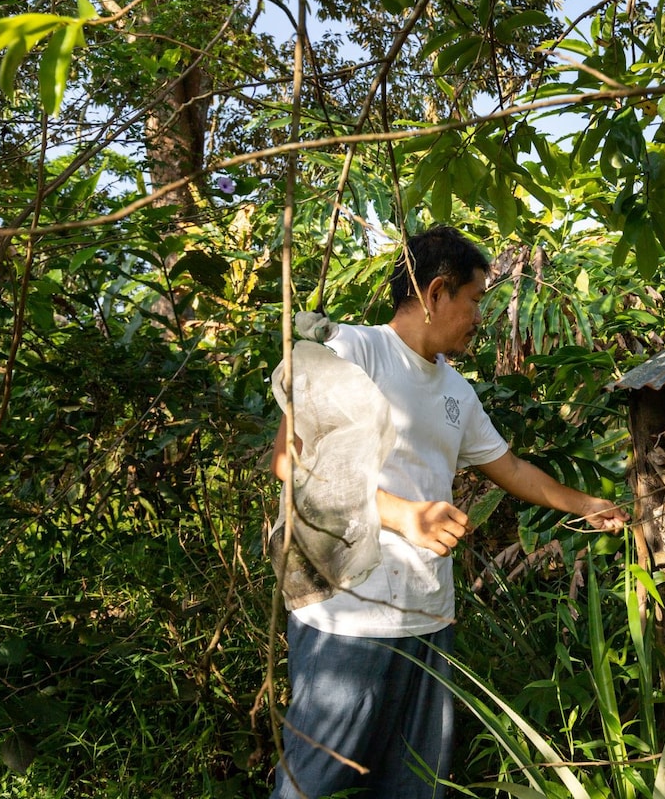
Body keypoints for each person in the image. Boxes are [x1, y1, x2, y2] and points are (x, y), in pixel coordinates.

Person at [268, 226, 628, 799]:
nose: (479, 318)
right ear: (436, 293)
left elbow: (510, 470)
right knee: (317, 783)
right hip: (349, 614)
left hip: (430, 616)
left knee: (415, 783)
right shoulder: (353, 351)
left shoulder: (458, 391)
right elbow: (291, 463)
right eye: (475, 299)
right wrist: (403, 515)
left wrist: (589, 504)